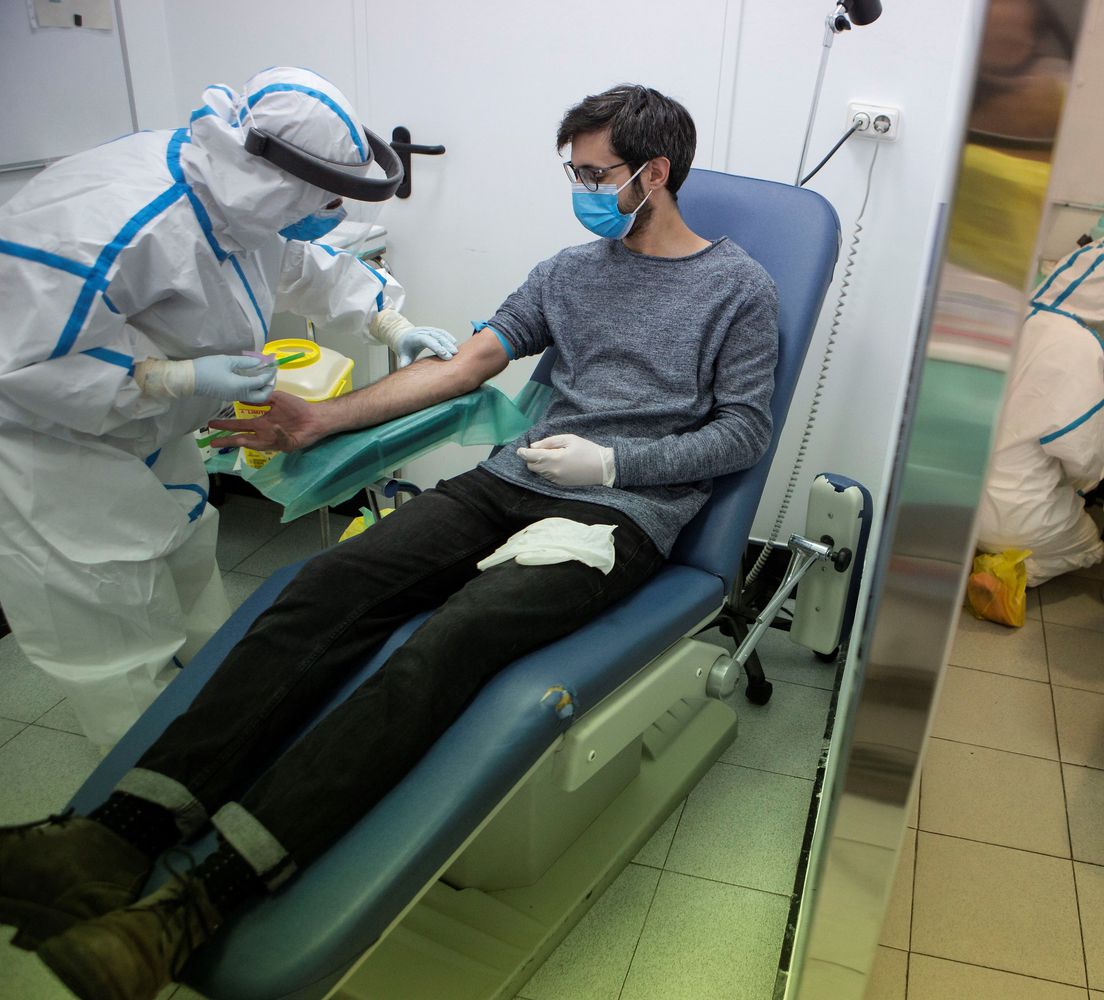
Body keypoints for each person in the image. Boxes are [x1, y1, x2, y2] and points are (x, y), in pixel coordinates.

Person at [0, 84, 778, 1000]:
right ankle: (120, 832)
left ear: (654, 173)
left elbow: (741, 435)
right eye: (572, 170)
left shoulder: (738, 289)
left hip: (613, 516)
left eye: (593, 173)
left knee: (448, 644)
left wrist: (614, 466)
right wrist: (320, 422)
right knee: (324, 588)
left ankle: (198, 903)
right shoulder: (570, 270)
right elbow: (463, 367)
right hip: (507, 482)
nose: (579, 187)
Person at [0, 67, 455, 750]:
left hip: (150, 435)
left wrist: (387, 323)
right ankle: (138, 800)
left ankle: (219, 731)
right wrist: (171, 376)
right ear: (279, 183)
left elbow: (295, 260)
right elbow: (24, 363)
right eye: (325, 198)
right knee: (115, 635)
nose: (330, 213)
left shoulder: (238, 197)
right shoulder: (109, 225)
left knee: (189, 569)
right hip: (58, 452)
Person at [973, 235, 1104, 587]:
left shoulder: (1010, 312)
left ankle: (972, 552)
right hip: (1016, 513)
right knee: (1091, 546)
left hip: (953, 494)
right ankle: (1005, 572)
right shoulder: (1083, 347)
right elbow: (1083, 460)